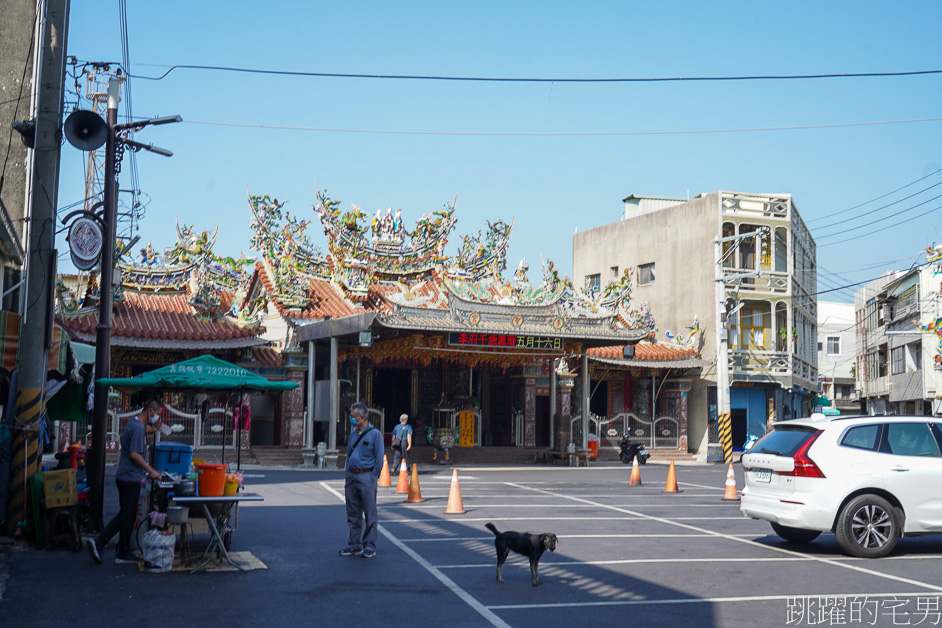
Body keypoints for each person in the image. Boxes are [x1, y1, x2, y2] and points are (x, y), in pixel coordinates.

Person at [88, 400, 163, 564]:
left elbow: (142, 437)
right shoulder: (137, 429)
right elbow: (134, 455)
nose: (157, 418)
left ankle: (120, 548)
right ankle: (103, 543)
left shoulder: (134, 424)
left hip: (124, 476)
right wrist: (151, 470)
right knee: (126, 516)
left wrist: (154, 431)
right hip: (130, 478)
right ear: (150, 411)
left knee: (126, 515)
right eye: (157, 414)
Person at [339, 402, 384, 559]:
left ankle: (370, 546)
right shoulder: (353, 435)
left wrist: (373, 477)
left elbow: (379, 459)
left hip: (366, 477)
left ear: (362, 417)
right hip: (352, 477)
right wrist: (347, 474)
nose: (351, 419)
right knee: (353, 513)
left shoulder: (375, 434)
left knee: (370, 513)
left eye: (353, 417)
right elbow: (349, 456)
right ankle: (354, 545)